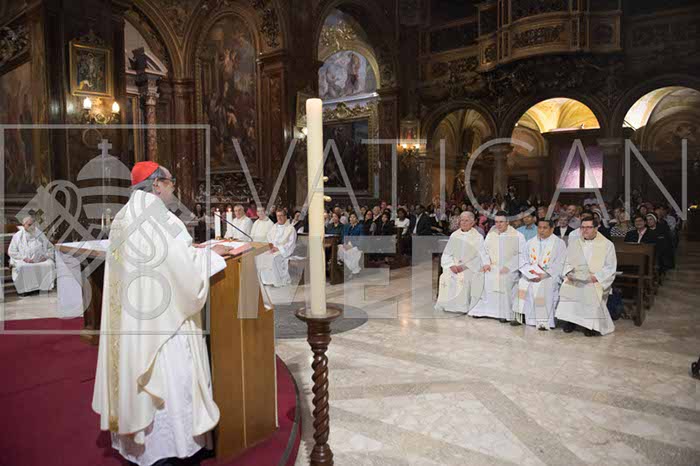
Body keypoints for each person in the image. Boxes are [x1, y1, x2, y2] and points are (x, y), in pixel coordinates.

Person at [93, 161, 228, 466]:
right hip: (164, 327)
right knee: (171, 381)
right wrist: (212, 256)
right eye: (170, 181)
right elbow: (182, 271)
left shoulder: (123, 217)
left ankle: (139, 448)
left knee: (140, 379)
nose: (173, 187)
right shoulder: (158, 218)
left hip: (133, 325)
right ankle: (172, 450)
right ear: (156, 184)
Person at [555, 218, 617, 336]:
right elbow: (566, 261)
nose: (585, 230)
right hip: (575, 278)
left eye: (588, 227)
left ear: (596, 228)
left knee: (591, 290)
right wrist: (568, 272)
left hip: (593, 279)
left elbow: (610, 267)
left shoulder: (607, 245)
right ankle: (571, 321)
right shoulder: (575, 243)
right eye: (582, 227)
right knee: (568, 287)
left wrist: (596, 277)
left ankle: (590, 325)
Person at [469, 211, 527, 323]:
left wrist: (509, 267)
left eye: (501, 222)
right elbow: (483, 251)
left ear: (507, 222)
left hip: (509, 269)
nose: (498, 225)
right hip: (492, 266)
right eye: (496, 222)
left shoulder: (518, 236)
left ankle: (504, 313)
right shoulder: (491, 235)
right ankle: (481, 311)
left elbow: (522, 255)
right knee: (479, 276)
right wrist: (486, 263)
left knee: (504, 279)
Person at [514, 218, 566, 330]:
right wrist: (529, 273)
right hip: (531, 275)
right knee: (522, 282)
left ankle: (543, 321)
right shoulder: (530, 242)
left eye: (545, 228)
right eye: (539, 228)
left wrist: (543, 275)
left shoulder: (559, 243)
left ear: (552, 229)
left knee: (543, 285)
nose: (541, 230)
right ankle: (523, 317)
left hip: (548, 276)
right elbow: (523, 260)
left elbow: (560, 263)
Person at [435, 212, 485, 314]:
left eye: (467, 220)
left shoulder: (478, 237)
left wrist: (463, 267)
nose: (464, 223)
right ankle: (447, 305)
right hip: (454, 266)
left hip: (469, 267)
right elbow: (447, 253)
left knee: (464, 278)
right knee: (445, 276)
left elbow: (479, 256)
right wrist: (451, 265)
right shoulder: (454, 235)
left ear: (472, 223)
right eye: (462, 220)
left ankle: (461, 307)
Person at [8, 215, 56, 295]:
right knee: (22, 267)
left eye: (33, 224)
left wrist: (46, 256)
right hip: (25, 260)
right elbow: (12, 251)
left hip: (41, 259)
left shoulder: (40, 233)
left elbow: (50, 247)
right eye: (29, 225)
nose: (32, 227)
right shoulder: (17, 236)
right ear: (24, 225)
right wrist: (24, 258)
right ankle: (25, 290)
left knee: (50, 264)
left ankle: (44, 287)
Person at [257, 209, 297, 287]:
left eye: (281, 215)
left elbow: (291, 243)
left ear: (285, 216)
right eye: (278, 216)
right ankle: (266, 280)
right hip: (273, 249)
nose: (279, 218)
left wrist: (278, 248)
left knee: (274, 258)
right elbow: (268, 237)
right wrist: (271, 246)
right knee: (261, 256)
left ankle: (277, 281)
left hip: (283, 251)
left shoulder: (291, 229)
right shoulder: (274, 226)